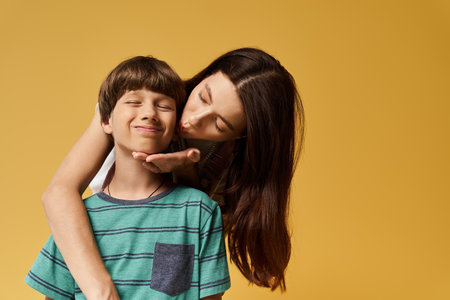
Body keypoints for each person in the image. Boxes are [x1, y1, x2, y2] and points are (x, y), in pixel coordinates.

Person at [42, 48, 305, 299]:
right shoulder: (142, 99)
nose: (193, 119)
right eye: (202, 97)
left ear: (239, 138)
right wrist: (101, 290)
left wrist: (185, 169)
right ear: (204, 77)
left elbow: (186, 230)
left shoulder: (229, 168)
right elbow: (59, 193)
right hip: (108, 228)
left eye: (218, 124)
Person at [26, 56, 230, 299]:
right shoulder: (75, 220)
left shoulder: (200, 211)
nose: (149, 113)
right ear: (105, 120)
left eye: (163, 106)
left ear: (175, 128)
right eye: (133, 101)